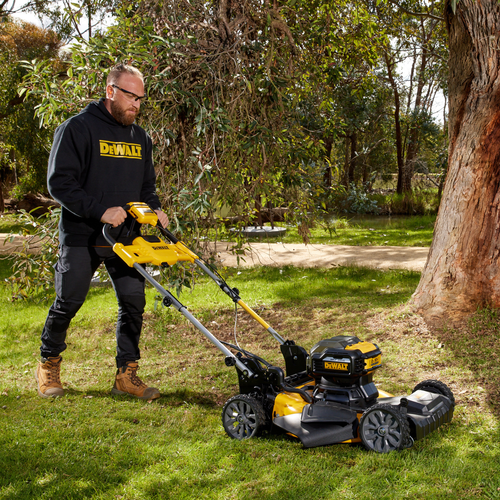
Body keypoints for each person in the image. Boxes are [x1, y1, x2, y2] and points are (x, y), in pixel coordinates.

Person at [35, 63, 169, 400]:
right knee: (69, 300)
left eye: (140, 99)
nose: (136, 105)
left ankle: (126, 374)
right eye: (130, 96)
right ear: (110, 91)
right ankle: (48, 364)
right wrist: (99, 210)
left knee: (133, 302)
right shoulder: (77, 129)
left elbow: (146, 186)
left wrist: (154, 209)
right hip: (82, 234)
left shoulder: (141, 137)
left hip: (126, 238)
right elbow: (59, 183)